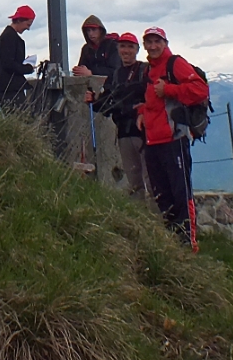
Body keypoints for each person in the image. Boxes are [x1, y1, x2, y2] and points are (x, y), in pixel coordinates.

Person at [135, 27, 209, 250]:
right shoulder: (149, 70)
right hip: (153, 142)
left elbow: (200, 90)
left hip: (174, 140)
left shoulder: (174, 63)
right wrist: (141, 114)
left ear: (165, 43)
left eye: (157, 41)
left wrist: (169, 89)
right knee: (162, 195)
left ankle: (188, 243)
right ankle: (173, 241)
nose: (153, 46)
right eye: (149, 42)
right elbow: (149, 99)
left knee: (181, 193)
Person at [91, 32, 150, 200]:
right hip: (124, 132)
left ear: (137, 50)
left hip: (144, 133)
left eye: (130, 47)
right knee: (134, 181)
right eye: (123, 46)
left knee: (151, 179)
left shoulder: (144, 70)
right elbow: (104, 104)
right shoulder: (115, 75)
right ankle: (140, 220)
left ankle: (157, 220)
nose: (126, 50)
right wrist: (93, 100)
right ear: (118, 49)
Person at [0, 5, 35, 110]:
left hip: (7, 88)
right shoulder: (9, 37)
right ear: (20, 20)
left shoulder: (7, 36)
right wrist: (27, 68)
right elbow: (8, 64)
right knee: (24, 119)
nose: (28, 28)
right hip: (9, 89)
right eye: (28, 24)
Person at [73, 15, 119, 80]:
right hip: (90, 87)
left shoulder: (112, 46)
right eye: (88, 30)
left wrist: (92, 72)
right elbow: (82, 69)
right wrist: (78, 71)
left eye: (94, 30)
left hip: (110, 87)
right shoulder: (86, 49)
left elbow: (115, 71)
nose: (91, 33)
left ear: (101, 30)